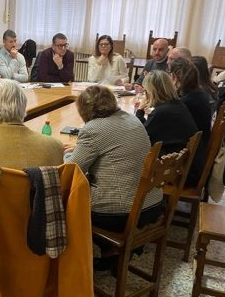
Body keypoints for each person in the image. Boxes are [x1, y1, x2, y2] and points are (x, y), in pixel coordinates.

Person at [64, 85, 160, 270]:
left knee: (67, 200)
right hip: (151, 203)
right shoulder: (131, 119)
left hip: (122, 211)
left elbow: (71, 170)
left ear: (84, 109)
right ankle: (111, 252)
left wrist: (68, 154)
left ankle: (73, 266)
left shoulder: (93, 129)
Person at [135, 70, 198, 157]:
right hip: (184, 157)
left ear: (152, 92)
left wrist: (140, 110)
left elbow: (140, 136)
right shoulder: (178, 104)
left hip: (171, 163)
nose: (145, 95)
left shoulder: (161, 112)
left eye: (146, 91)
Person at [169, 57, 211, 187]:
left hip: (187, 169)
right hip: (197, 157)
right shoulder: (198, 93)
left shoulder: (186, 102)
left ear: (175, 77)